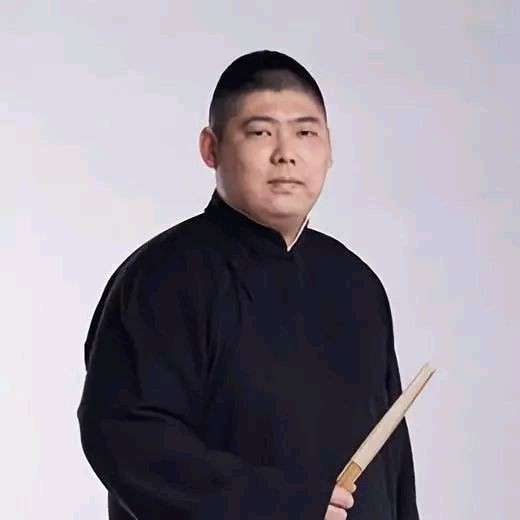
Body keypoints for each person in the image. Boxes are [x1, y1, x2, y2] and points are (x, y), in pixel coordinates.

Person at [77, 49, 420, 520]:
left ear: (329, 150)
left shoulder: (358, 285)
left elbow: (393, 464)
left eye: (305, 133)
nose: (286, 154)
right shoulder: (161, 277)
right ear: (211, 148)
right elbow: (126, 436)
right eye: (260, 132)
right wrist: (282, 506)